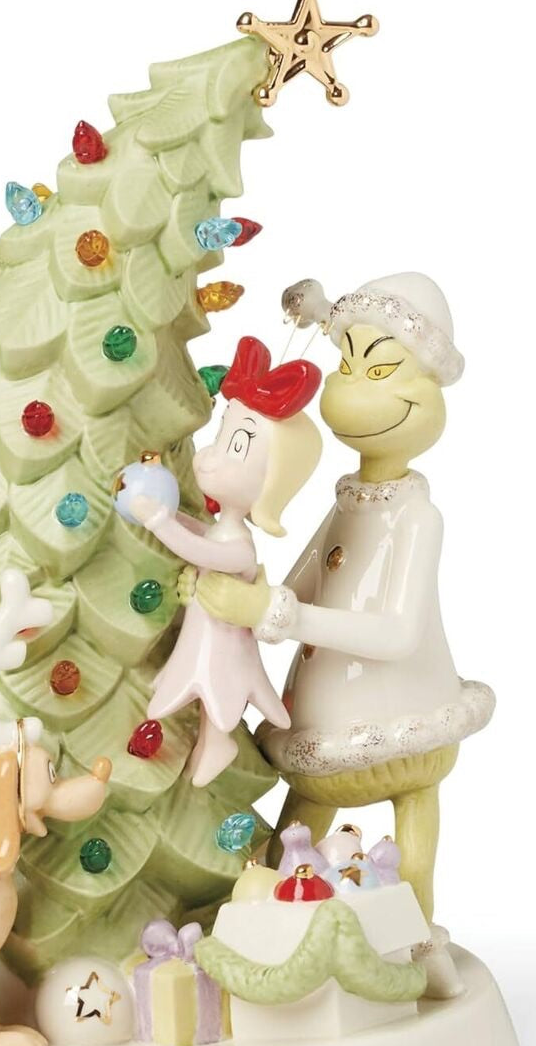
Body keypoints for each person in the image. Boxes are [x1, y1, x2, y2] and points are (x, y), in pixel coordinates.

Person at [195, 274, 494, 919]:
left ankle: (416, 932)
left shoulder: (417, 519)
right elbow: (302, 580)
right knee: (289, 840)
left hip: (402, 718)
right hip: (320, 726)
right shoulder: (347, 504)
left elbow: (395, 632)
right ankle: (266, 923)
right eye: (348, 366)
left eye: (379, 369)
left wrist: (277, 613)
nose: (352, 386)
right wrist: (247, 584)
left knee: (413, 842)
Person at [130, 336, 322, 787]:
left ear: (270, 484)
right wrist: (169, 515)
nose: (210, 457)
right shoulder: (222, 531)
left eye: (236, 447)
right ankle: (210, 741)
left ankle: (219, 741)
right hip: (204, 631)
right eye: (221, 438)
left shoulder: (240, 548)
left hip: (223, 641)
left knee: (218, 684)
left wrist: (160, 522)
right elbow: (201, 535)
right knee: (197, 678)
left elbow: (203, 551)